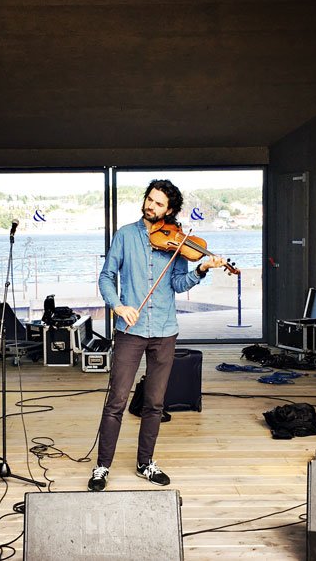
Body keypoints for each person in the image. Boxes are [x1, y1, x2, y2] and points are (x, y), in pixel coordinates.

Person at [88, 180, 227, 492]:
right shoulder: (125, 235)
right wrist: (118, 305)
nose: (151, 206)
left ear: (170, 210)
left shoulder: (177, 241)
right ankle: (102, 466)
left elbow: (177, 284)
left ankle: (145, 463)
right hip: (130, 330)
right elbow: (107, 275)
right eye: (149, 199)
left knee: (154, 403)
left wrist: (201, 270)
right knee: (116, 400)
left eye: (159, 203)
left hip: (165, 330)